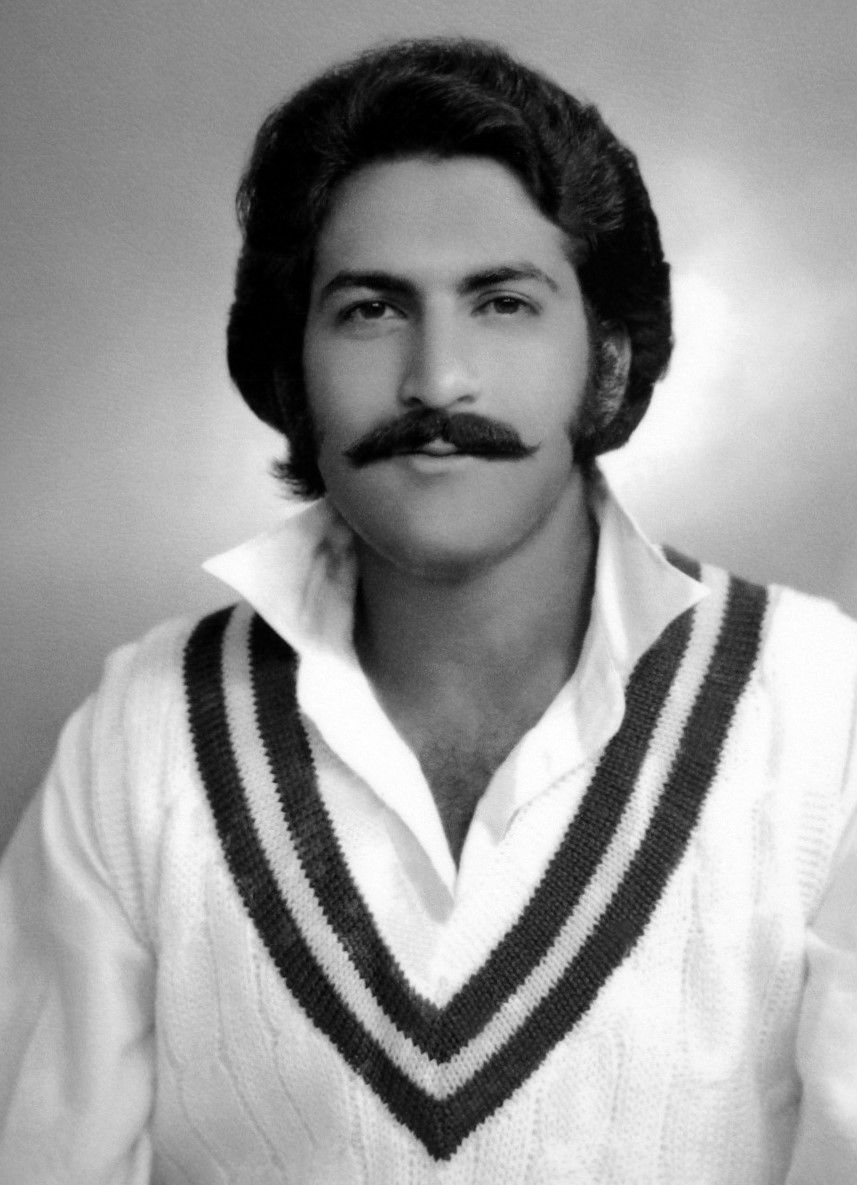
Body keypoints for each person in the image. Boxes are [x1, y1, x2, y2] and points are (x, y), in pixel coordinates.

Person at [1, 36, 856, 1185]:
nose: (436, 378)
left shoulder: (822, 713)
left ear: (606, 364)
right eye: (369, 310)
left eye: (501, 303)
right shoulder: (142, 736)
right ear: (289, 367)